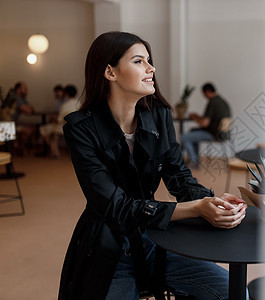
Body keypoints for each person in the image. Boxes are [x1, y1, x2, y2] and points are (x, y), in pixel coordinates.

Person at [58, 31, 247, 300]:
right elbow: (115, 207)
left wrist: (212, 201)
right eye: (138, 61)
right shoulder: (81, 129)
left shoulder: (158, 116)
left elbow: (178, 177)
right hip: (107, 248)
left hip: (155, 238)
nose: (151, 68)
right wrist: (195, 208)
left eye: (149, 60)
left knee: (234, 292)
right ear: (110, 72)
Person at [180, 82, 231, 168]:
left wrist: (195, 117)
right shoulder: (222, 101)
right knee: (193, 131)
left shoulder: (212, 102)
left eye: (203, 94)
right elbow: (207, 120)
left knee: (184, 137)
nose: (204, 96)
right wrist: (197, 116)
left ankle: (193, 161)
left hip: (214, 134)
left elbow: (204, 123)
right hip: (223, 134)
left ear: (207, 91)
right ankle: (194, 160)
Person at [39, 85, 78, 158]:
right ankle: (54, 151)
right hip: (77, 127)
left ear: (66, 93)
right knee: (53, 132)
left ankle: (54, 152)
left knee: (44, 129)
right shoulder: (79, 103)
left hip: (64, 127)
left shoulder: (65, 105)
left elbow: (60, 119)